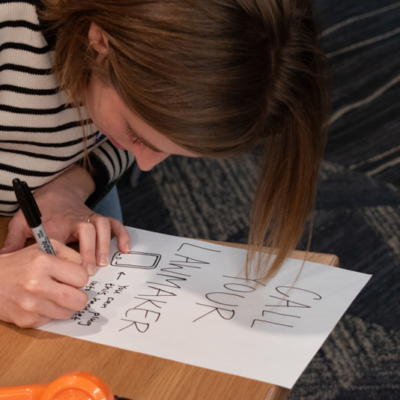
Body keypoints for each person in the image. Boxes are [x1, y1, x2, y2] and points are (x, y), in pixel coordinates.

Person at [0, 0, 331, 328]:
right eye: (137, 135)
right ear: (100, 40)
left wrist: (74, 183)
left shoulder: (130, 66)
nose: (145, 165)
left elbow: (122, 145)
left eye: (170, 151)